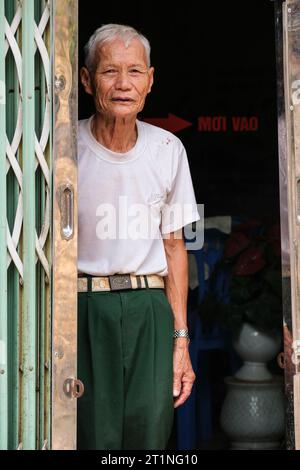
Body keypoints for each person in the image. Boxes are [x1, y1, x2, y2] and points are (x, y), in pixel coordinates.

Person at [77, 23, 200, 450]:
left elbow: (174, 245)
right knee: (91, 434)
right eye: (110, 72)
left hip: (150, 308)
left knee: (150, 434)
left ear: (150, 80)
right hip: (82, 306)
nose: (123, 84)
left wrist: (180, 341)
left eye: (134, 72)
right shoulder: (61, 147)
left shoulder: (168, 148)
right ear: (87, 80)